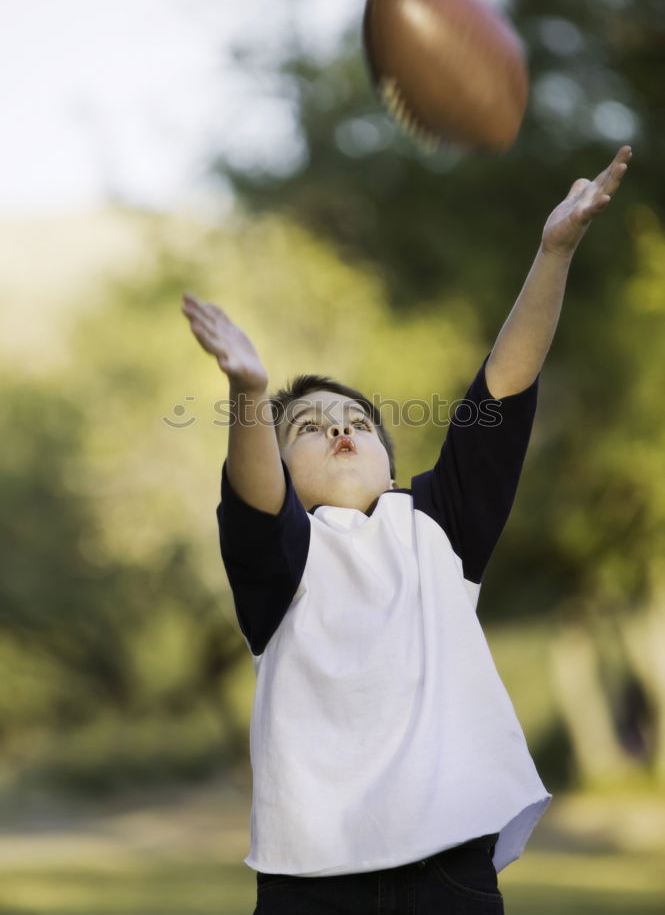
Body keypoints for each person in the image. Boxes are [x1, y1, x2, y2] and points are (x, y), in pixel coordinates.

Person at [182, 145, 631, 915]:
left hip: (447, 872)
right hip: (309, 882)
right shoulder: (284, 558)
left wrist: (553, 251)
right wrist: (251, 394)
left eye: (357, 421)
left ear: (391, 463)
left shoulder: (433, 528)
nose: (341, 431)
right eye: (312, 429)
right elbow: (253, 500)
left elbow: (503, 386)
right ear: (282, 472)